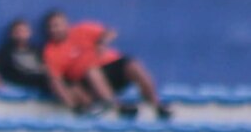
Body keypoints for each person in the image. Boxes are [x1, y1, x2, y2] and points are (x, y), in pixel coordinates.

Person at [42, 10, 171, 120]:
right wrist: (72, 105)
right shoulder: (52, 51)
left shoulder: (82, 29)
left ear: (66, 24)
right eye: (52, 27)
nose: (56, 29)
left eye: (58, 25)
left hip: (109, 66)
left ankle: (156, 104)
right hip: (88, 81)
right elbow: (55, 80)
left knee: (133, 65)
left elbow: (109, 32)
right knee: (91, 71)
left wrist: (101, 43)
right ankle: (118, 107)